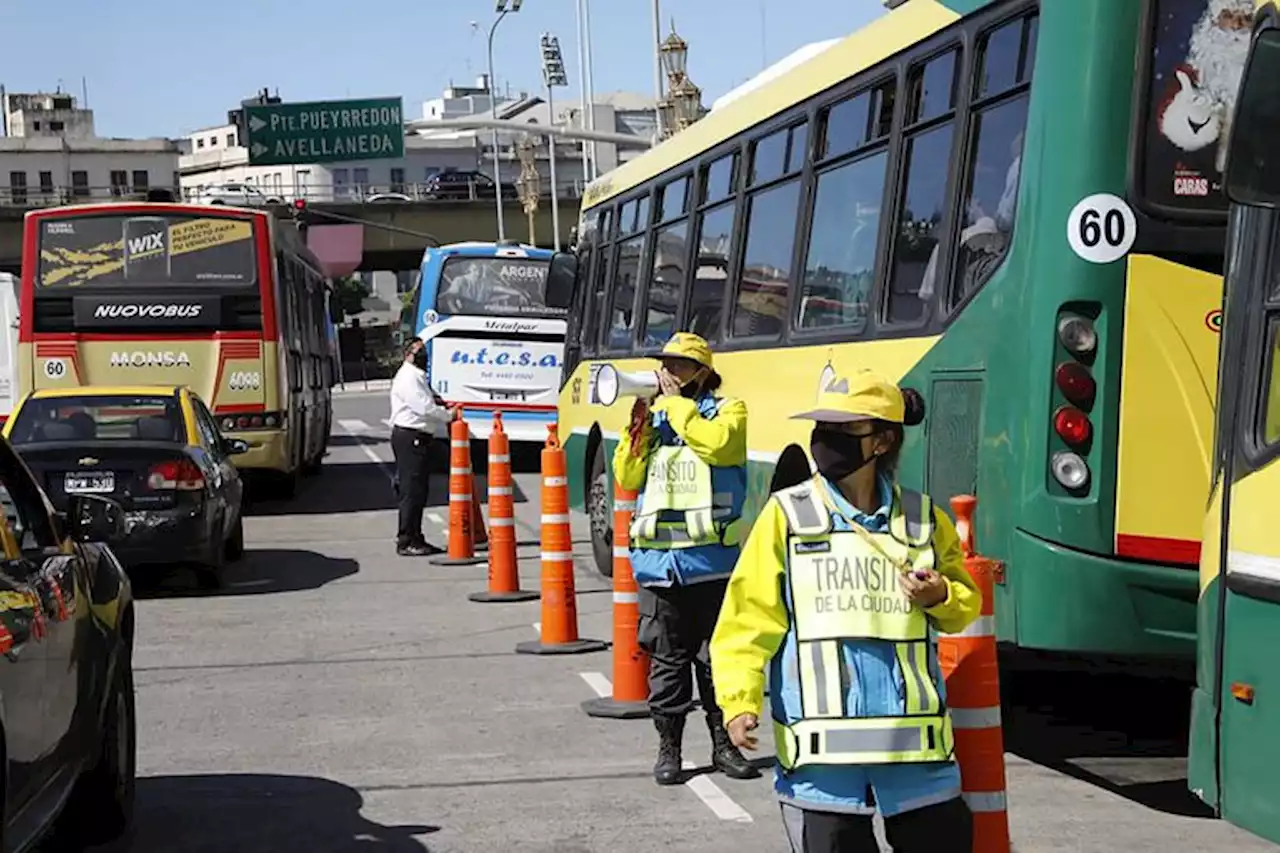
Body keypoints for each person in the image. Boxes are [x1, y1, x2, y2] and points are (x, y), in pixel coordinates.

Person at [709, 369, 981, 853]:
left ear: (882, 441)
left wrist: (940, 595)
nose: (825, 439)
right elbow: (746, 621)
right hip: (824, 771)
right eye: (822, 427)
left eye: (843, 428)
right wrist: (739, 702)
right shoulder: (786, 516)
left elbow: (964, 606)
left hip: (916, 761)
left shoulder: (923, 520)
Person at [612, 332, 760, 786]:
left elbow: (719, 446)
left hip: (711, 566)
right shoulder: (653, 417)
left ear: (701, 373)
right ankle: (669, 747)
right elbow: (626, 473)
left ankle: (724, 746)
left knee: (716, 663)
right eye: (665, 365)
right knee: (667, 664)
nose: (667, 374)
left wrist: (677, 407)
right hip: (660, 567)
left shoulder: (728, 411)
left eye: (677, 366)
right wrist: (640, 425)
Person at [389, 338, 452, 556]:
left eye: (424, 350)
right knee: (411, 491)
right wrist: (449, 416)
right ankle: (406, 539)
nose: (423, 354)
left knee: (419, 490)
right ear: (408, 354)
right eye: (418, 351)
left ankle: (415, 536)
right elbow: (424, 407)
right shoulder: (408, 377)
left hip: (419, 438)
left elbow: (431, 400)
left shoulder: (417, 376)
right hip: (410, 437)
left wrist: (444, 405)